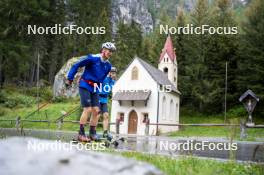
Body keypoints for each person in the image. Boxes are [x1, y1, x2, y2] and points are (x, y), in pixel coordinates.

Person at [66, 42, 116, 142]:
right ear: (103, 50)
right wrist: (70, 78)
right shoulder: (93, 58)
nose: (110, 53)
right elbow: (77, 65)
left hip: (95, 88)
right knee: (88, 109)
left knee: (97, 111)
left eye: (112, 52)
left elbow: (101, 79)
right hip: (85, 85)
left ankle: (92, 133)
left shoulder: (108, 66)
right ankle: (81, 134)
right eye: (108, 50)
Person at [98, 67, 117, 141]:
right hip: (98, 98)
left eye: (114, 73)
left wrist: (113, 96)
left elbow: (115, 90)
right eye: (112, 73)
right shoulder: (104, 79)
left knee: (106, 116)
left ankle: (105, 132)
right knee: (97, 115)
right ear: (109, 73)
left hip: (105, 100)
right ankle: (92, 131)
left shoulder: (113, 82)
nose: (113, 74)